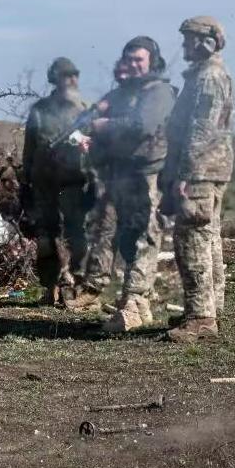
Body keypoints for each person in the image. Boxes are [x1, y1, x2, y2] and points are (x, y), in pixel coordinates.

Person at [77, 36, 175, 332]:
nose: (133, 65)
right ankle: (138, 304)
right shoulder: (125, 93)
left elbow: (142, 126)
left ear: (152, 62)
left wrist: (104, 125)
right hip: (124, 172)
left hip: (148, 173)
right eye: (128, 59)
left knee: (145, 234)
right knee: (129, 237)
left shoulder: (158, 91)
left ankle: (133, 302)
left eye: (139, 60)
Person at [162, 16, 235, 343]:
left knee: (191, 239)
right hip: (209, 170)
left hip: (200, 172)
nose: (184, 45)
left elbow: (201, 131)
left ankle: (201, 318)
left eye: (189, 39)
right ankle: (209, 308)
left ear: (207, 42)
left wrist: (185, 175)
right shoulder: (209, 75)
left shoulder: (208, 78)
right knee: (207, 237)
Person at [21, 57, 90, 305]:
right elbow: (29, 148)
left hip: (73, 182)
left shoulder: (84, 110)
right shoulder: (40, 110)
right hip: (44, 182)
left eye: (74, 74)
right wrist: (26, 181)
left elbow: (96, 146)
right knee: (45, 236)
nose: (71, 79)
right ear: (55, 79)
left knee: (76, 234)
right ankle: (50, 287)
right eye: (65, 75)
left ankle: (77, 287)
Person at [64, 58, 129, 309]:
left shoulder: (149, 98)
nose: (123, 75)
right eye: (119, 71)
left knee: (137, 237)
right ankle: (93, 288)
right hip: (111, 176)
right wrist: (83, 139)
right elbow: (80, 129)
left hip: (139, 176)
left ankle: (135, 296)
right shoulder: (111, 99)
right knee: (105, 229)